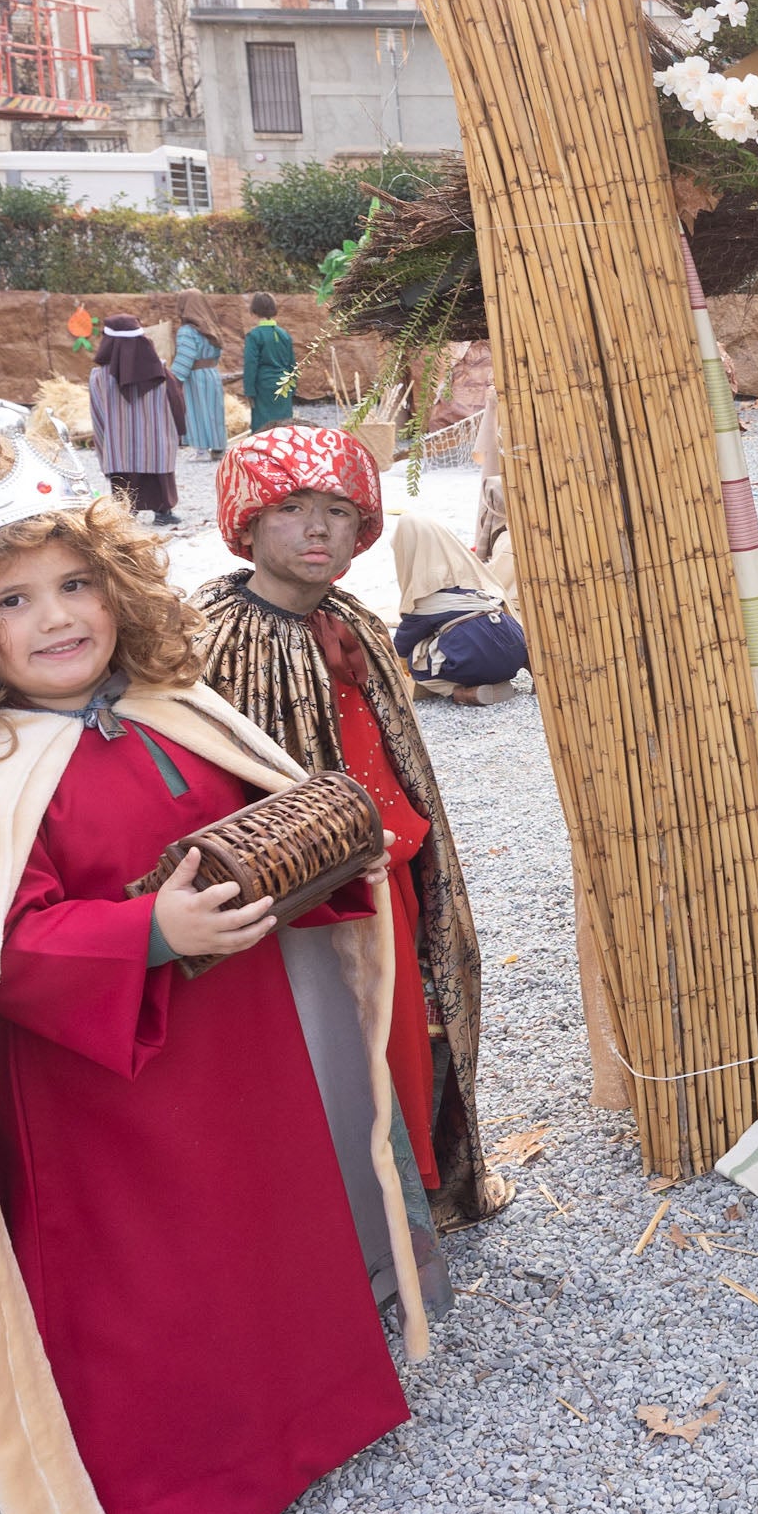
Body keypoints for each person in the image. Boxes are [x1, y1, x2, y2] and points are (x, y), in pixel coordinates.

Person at [0, 423, 433, 1514]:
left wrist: (310, 858)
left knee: (252, 1242)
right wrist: (143, 933)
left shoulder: (168, 709)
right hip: (108, 1099)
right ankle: (161, 1507)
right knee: (154, 1282)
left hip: (234, 1059)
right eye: (12, 600)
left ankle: (301, 1421)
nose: (57, 618)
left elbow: (250, 822)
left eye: (74, 584)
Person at [195, 425, 501, 1223]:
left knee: (406, 1031)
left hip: (390, 866)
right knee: (325, 1043)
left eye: (338, 509)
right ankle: (336, 1212)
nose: (318, 527)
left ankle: (413, 1192)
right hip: (301, 898)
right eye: (292, 506)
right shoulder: (219, 638)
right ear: (248, 520)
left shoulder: (356, 619)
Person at [391, 509, 531, 703]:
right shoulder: (473, 579)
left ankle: (463, 693)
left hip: (478, 662)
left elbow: (401, 647)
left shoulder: (426, 597)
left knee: (416, 659)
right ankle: (499, 681)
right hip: (514, 656)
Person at [88, 318, 184, 527]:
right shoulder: (160, 371)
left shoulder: (99, 377)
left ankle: (125, 511)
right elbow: (176, 402)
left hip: (119, 445)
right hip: (156, 441)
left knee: (123, 473)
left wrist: (104, 447)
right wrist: (178, 434)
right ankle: (163, 510)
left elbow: (97, 414)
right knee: (156, 464)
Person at [242, 292, 302, 436]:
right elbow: (292, 363)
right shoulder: (284, 334)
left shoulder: (254, 335)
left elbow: (250, 365)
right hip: (284, 384)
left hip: (263, 387)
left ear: (254, 311)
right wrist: (292, 386)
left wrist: (249, 390)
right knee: (285, 425)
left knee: (263, 427)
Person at [173, 314, 229, 456]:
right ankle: (218, 447)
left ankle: (201, 450)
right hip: (212, 373)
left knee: (197, 412)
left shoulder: (187, 331)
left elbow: (185, 356)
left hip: (195, 376)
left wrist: (173, 378)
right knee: (214, 412)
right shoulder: (210, 327)